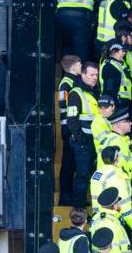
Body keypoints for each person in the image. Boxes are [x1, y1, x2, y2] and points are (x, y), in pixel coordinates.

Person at [65, 61, 99, 207]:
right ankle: (78, 206)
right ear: (83, 74)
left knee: (92, 173)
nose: (95, 78)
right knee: (82, 174)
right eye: (91, 75)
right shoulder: (76, 93)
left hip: (96, 140)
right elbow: (72, 120)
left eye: (96, 75)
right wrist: (81, 139)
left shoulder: (95, 91)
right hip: (84, 142)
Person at [91, 146, 132, 232]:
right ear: (117, 158)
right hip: (115, 218)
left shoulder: (96, 174)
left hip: (98, 218)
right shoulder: (118, 176)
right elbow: (124, 203)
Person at [57, 55, 81, 206]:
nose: (81, 67)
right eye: (80, 64)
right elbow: (63, 104)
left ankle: (69, 195)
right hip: (69, 128)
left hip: (70, 127)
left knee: (71, 163)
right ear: (73, 66)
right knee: (68, 164)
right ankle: (65, 197)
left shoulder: (72, 81)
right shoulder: (67, 82)